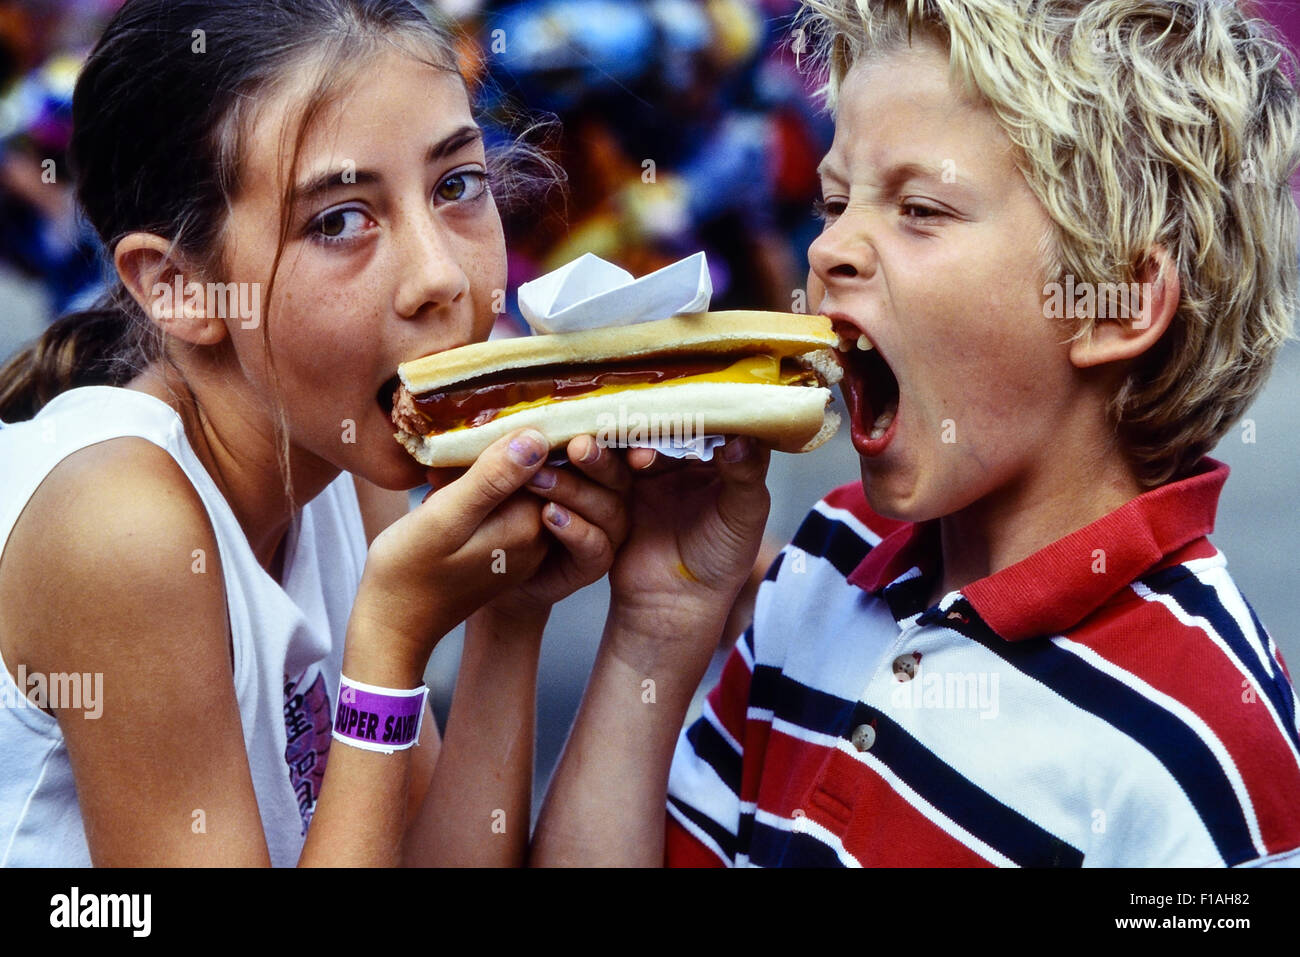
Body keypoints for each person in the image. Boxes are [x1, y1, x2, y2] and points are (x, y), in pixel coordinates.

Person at [531, 0, 1300, 866]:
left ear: (1115, 299)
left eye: (921, 209)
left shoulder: (1206, 742)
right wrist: (658, 624)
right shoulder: (826, 560)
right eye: (832, 201)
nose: (827, 251)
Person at [0, 0, 634, 867]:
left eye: (457, 185)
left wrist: (509, 614)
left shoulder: (342, 455)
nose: (442, 278)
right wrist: (391, 643)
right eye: (339, 220)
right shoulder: (121, 529)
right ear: (178, 285)